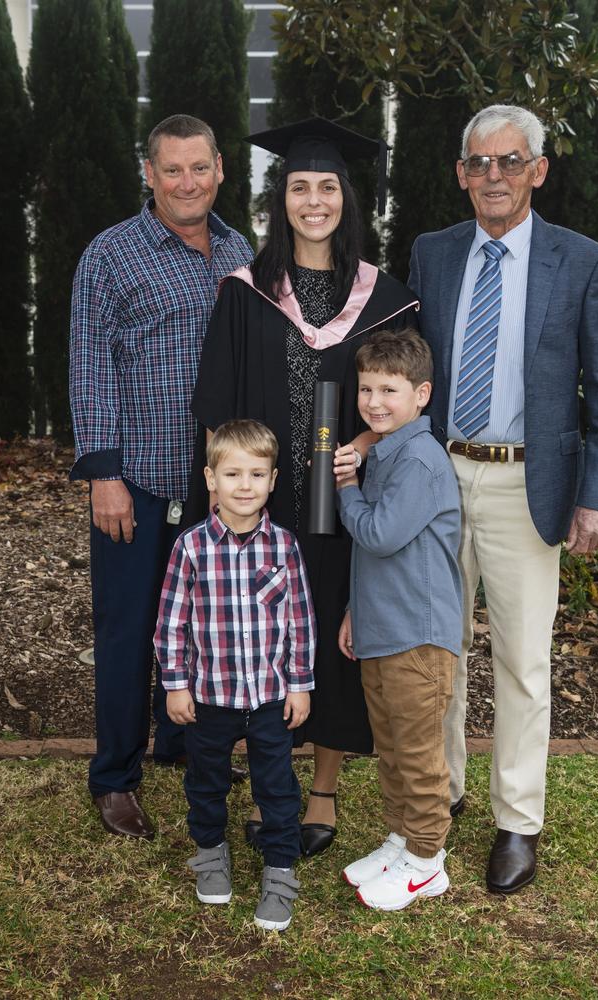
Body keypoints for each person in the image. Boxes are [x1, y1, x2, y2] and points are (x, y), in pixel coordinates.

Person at [408, 104, 598, 893]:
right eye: (479, 162)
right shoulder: (432, 254)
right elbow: (407, 373)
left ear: (538, 170)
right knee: (437, 651)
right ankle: (446, 792)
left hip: (527, 483)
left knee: (523, 662)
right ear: (461, 173)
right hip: (437, 478)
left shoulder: (580, 262)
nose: (493, 177)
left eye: (510, 162)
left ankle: (517, 821)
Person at [187, 118, 419, 857]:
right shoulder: (248, 292)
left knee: (331, 636)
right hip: (263, 509)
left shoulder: (385, 297)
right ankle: (267, 781)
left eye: (326, 187)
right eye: (298, 188)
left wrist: (362, 443)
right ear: (278, 198)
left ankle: (323, 792)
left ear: (346, 198)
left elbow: (411, 402)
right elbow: (217, 408)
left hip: (347, 509)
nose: (313, 201)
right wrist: (228, 501)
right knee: (261, 635)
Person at [69, 114, 253, 840]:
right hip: (138, 481)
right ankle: (115, 774)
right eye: (171, 170)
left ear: (219, 171)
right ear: (149, 173)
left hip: (215, 487)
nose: (186, 183)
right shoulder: (111, 255)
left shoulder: (239, 251)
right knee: (129, 631)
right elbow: (88, 366)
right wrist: (103, 474)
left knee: (201, 629)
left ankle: (181, 739)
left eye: (199, 168)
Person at [154, 420, 316, 931]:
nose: (244, 486)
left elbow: (300, 621)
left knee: (278, 787)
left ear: (272, 481)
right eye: (232, 474)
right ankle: (209, 852)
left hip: (270, 698)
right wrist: (175, 685)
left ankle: (280, 869)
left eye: (256, 474)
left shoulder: (284, 547)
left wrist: (300, 683)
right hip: (209, 700)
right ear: (210, 479)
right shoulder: (191, 548)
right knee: (206, 782)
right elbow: (171, 622)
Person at [334, 329, 461, 911]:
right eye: (366, 389)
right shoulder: (387, 450)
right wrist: (355, 610)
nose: (375, 401)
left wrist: (346, 490)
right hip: (384, 626)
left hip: (418, 636)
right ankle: (401, 840)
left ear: (422, 394)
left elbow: (380, 535)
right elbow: (380, 558)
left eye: (390, 388)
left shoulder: (420, 459)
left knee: (417, 753)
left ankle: (428, 861)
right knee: (389, 745)